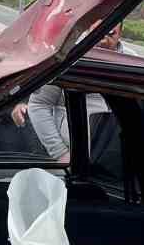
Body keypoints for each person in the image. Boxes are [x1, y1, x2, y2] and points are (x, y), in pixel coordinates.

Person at [13, 22, 132, 171]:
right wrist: (60, 153)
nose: (103, 38)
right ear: (88, 29)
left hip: (112, 159)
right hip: (69, 158)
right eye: (98, 32)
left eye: (110, 34)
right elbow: (39, 105)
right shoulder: (69, 56)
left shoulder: (131, 61)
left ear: (120, 33)